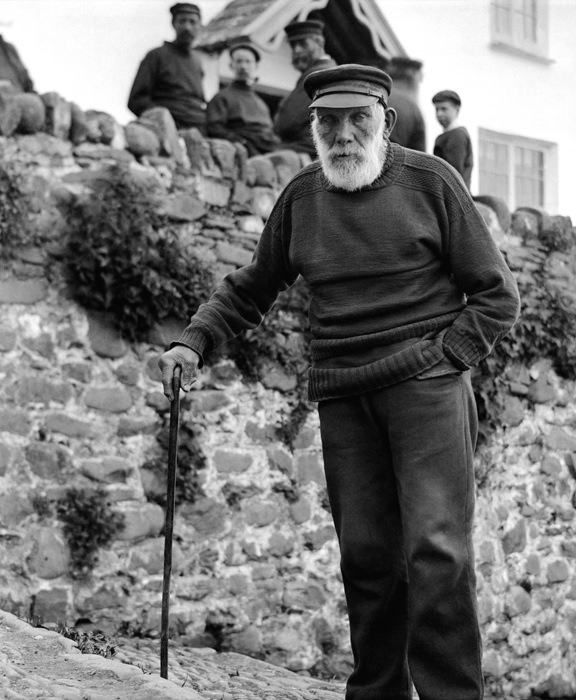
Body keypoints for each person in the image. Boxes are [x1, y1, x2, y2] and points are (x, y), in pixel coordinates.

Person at [158, 64, 519, 700]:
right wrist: (194, 339)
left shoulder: (431, 182)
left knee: (437, 554)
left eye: (358, 120)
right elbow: (252, 286)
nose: (344, 135)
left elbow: (496, 293)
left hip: (426, 390)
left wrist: (447, 358)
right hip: (343, 394)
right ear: (313, 127)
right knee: (368, 557)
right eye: (329, 122)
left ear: (386, 121)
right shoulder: (303, 197)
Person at [127, 2, 206, 132]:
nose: (187, 27)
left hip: (198, 126)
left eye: (192, 22)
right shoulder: (156, 56)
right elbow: (137, 100)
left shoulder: (197, 62)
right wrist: (164, 120)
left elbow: (199, 101)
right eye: (182, 21)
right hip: (168, 127)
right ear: (174, 24)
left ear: (199, 26)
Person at [272, 19, 336, 162]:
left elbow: (286, 124)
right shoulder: (333, 71)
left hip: (307, 151)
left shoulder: (316, 75)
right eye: (293, 45)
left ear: (319, 43)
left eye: (303, 44)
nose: (296, 51)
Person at [206, 39, 281, 156]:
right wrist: (238, 141)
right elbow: (214, 127)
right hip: (244, 150)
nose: (243, 66)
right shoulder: (222, 97)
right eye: (239, 61)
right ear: (231, 65)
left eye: (248, 61)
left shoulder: (261, 104)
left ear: (255, 66)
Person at [432, 89, 473, 189]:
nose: (439, 114)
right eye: (437, 109)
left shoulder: (457, 135)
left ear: (457, 109)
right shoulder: (444, 136)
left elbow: (453, 173)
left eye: (444, 109)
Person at [386, 56, 426, 152]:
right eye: (420, 78)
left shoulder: (373, 95)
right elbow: (419, 160)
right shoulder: (412, 108)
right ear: (413, 76)